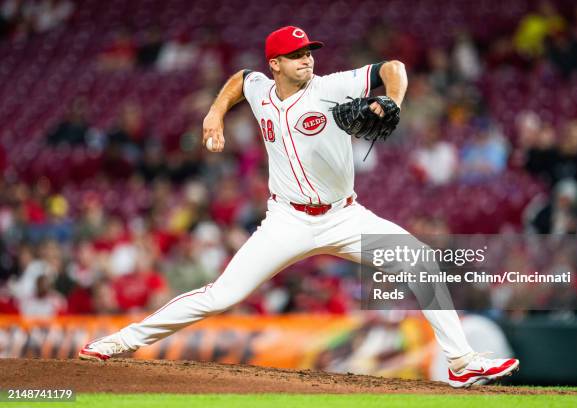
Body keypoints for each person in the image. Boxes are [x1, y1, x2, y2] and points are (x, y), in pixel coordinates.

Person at [79, 26, 519, 388]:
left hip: (344, 216)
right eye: (295, 55)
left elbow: (394, 68)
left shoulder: (330, 88)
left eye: (308, 51)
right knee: (221, 296)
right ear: (275, 65)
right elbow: (239, 80)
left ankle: (461, 362)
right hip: (286, 219)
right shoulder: (261, 91)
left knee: (419, 260)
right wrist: (214, 114)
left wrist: (393, 101)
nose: (306, 59)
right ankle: (119, 342)